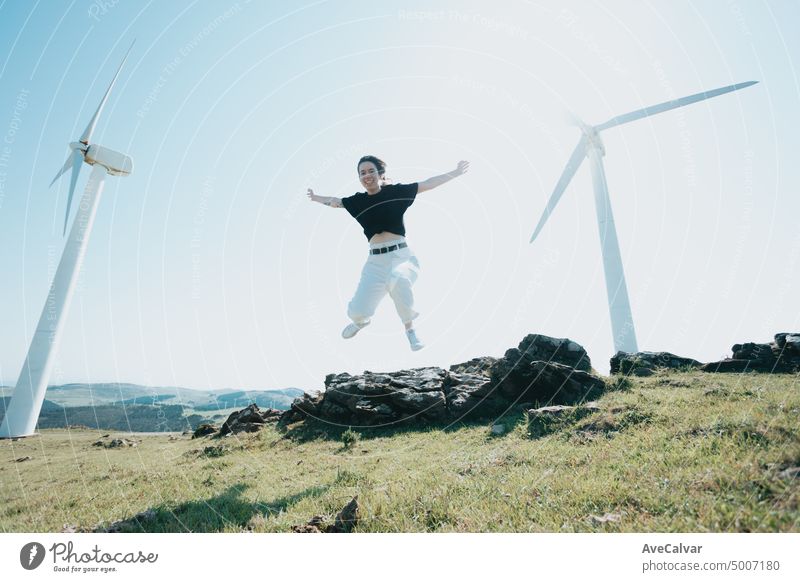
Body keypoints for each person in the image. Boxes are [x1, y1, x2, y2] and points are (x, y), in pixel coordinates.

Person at [307, 155, 469, 351]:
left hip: (401, 256)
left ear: (380, 173)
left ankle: (410, 330)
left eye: (371, 171)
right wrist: (316, 198)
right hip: (375, 261)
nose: (367, 175)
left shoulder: (396, 192)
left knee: (398, 279)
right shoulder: (357, 201)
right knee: (358, 309)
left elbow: (428, 184)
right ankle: (360, 322)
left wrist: (456, 172)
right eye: (362, 173)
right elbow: (335, 202)